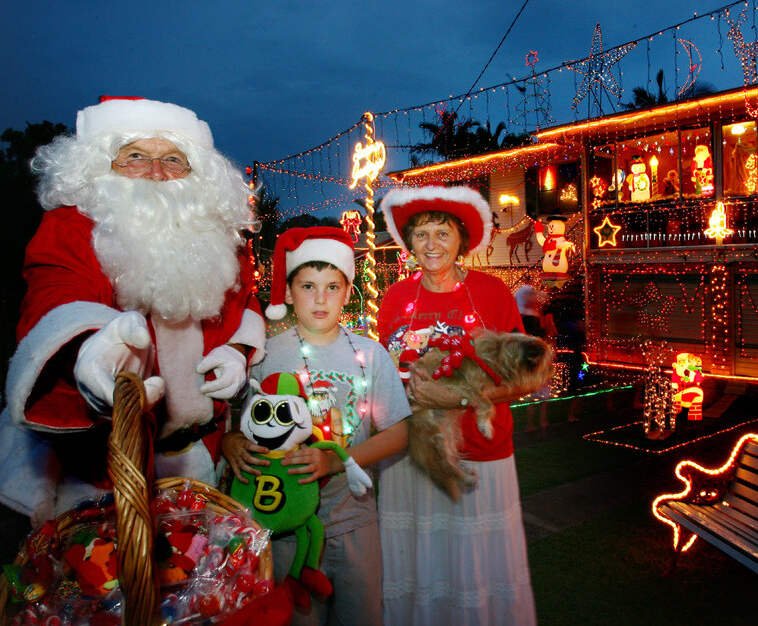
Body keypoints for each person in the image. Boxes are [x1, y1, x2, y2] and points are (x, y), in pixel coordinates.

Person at [0, 96, 265, 526]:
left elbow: (244, 300)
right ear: (101, 164)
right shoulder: (72, 226)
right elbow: (56, 288)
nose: (157, 173)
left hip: (200, 461)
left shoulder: (215, 236)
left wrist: (238, 350)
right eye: (136, 157)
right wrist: (89, 347)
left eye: (174, 160)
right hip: (104, 476)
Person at [222, 226, 410, 625]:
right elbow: (234, 424)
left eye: (332, 286)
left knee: (362, 616)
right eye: (308, 286)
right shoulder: (265, 356)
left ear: (348, 291)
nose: (320, 298)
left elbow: (398, 432)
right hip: (283, 531)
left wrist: (335, 462)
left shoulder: (371, 354)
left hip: (354, 522)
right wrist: (231, 444)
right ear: (289, 293)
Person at [377, 185, 537, 625]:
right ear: (408, 242)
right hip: (410, 455)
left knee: (474, 566)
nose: (431, 245)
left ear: (461, 241)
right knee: (418, 563)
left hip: (478, 456)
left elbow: (524, 377)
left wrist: (460, 396)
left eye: (442, 234)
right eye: (422, 234)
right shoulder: (393, 299)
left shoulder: (491, 294)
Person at [516, 283, 553, 431]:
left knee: (536, 396)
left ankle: (534, 423)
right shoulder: (532, 322)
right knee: (539, 395)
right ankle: (538, 422)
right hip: (537, 364)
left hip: (534, 364)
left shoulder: (527, 319)